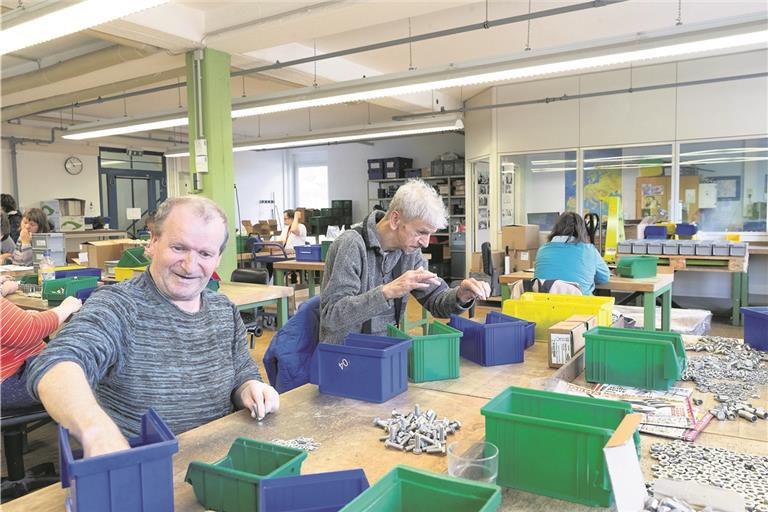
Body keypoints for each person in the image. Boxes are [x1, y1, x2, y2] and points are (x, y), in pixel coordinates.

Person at [26, 196, 279, 458]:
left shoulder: (223, 309)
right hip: (148, 470)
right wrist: (96, 431)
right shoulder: (119, 306)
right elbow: (56, 364)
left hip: (221, 462)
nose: (190, 265)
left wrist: (250, 387)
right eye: (179, 248)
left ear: (218, 257)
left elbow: (241, 371)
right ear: (153, 242)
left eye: (205, 253)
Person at [320, 179, 491, 344]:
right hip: (345, 355)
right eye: (421, 232)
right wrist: (386, 292)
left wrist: (460, 296)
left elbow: (435, 299)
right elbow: (331, 316)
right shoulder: (351, 245)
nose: (425, 242)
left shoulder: (409, 252)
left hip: (385, 350)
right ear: (395, 220)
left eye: (430, 234)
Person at [1, 276, 82, 408]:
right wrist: (66, 307)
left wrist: (20, 317)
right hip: (10, 382)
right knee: (83, 351)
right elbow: (30, 330)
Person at [534, 212, 610, 295]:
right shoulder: (589, 250)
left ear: (556, 228)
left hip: (546, 305)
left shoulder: (542, 250)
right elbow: (604, 278)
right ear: (582, 230)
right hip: (580, 305)